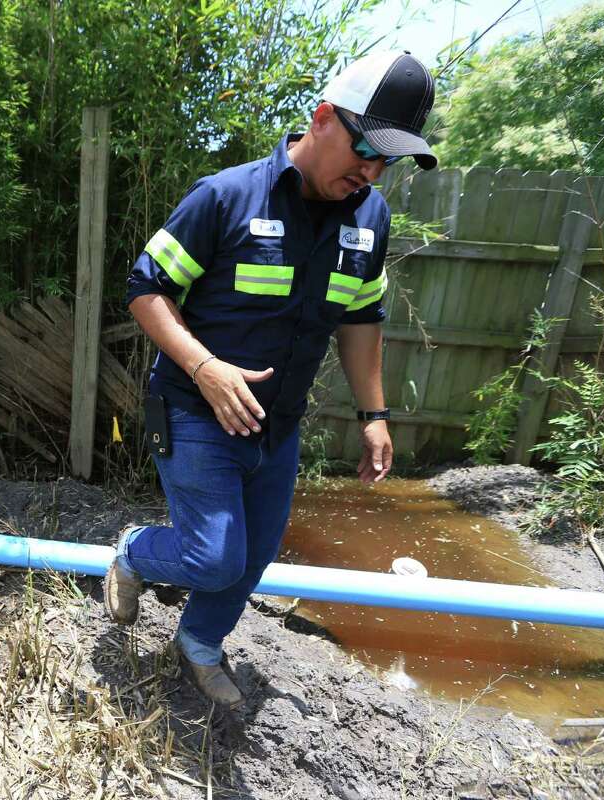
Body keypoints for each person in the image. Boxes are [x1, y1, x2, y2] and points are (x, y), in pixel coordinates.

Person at [105, 51, 438, 706]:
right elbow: (146, 290)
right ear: (321, 119)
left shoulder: (371, 221)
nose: (371, 171)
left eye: (387, 160)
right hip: (193, 410)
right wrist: (204, 367)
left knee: (252, 557)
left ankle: (199, 645)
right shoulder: (224, 196)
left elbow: (361, 319)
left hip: (276, 422)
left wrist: (375, 415)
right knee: (213, 557)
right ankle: (132, 553)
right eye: (365, 147)